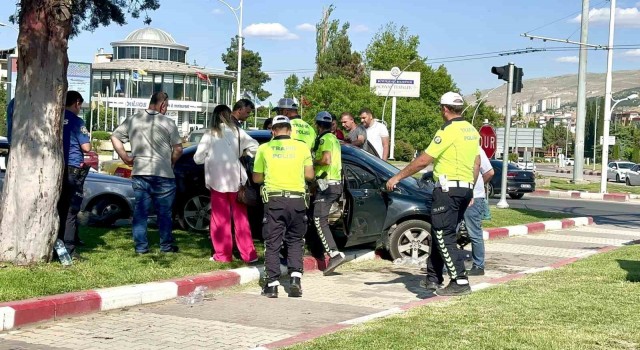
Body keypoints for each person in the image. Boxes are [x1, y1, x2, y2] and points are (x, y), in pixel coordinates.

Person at [386, 92, 480, 296]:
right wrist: (470, 188)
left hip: (447, 189)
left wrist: (397, 177)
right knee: (443, 232)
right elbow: (476, 162)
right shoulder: (471, 130)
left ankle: (460, 281)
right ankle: (433, 277)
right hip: (464, 188)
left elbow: (423, 160)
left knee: (442, 234)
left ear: (444, 109)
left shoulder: (447, 130)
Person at [111, 92, 183, 254]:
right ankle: (166, 246)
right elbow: (178, 148)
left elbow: (115, 137)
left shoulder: (133, 119)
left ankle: (141, 247)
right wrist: (170, 162)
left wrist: (125, 157)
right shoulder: (168, 122)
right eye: (167, 106)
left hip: (140, 171)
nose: (167, 109)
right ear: (162, 104)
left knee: (140, 211)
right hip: (163, 174)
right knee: (164, 213)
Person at [253, 116, 315, 298]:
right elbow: (310, 175)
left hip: (274, 202)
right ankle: (295, 279)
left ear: (273, 130)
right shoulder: (302, 147)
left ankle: (271, 285)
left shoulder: (264, 148)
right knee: (295, 240)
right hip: (297, 201)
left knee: (273, 242)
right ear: (290, 130)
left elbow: (257, 178)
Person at [194, 105, 259, 263]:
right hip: (236, 180)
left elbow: (197, 158)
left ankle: (223, 255)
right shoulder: (237, 131)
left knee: (219, 219)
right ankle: (249, 254)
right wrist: (242, 153)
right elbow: (255, 146)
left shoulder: (210, 134)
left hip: (217, 181)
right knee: (241, 219)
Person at [57, 91, 91, 258]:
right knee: (72, 209)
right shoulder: (77, 122)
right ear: (77, 102)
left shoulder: (55, 117)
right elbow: (86, 148)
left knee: (59, 207)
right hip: (73, 168)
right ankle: (69, 248)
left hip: (57, 167)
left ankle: (57, 243)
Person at [312, 111, 345, 275]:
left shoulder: (325, 139)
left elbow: (326, 160)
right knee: (321, 219)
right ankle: (326, 250)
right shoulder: (334, 139)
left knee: (319, 219)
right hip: (332, 183)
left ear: (317, 125)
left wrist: (311, 161)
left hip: (327, 185)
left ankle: (334, 254)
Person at [464, 147, 494, 276]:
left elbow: (489, 172)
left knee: (474, 232)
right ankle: (447, 264)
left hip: (474, 197)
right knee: (451, 231)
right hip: (457, 194)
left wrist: (478, 186)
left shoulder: (476, 149)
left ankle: (478, 265)